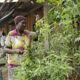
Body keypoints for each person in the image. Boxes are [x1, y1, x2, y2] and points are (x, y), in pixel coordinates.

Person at [4, 15, 39, 80]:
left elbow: (38, 35)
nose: (24, 25)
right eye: (23, 23)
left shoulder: (28, 34)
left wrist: (38, 23)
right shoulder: (11, 34)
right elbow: (5, 49)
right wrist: (15, 51)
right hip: (13, 66)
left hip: (26, 65)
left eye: (25, 23)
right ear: (16, 24)